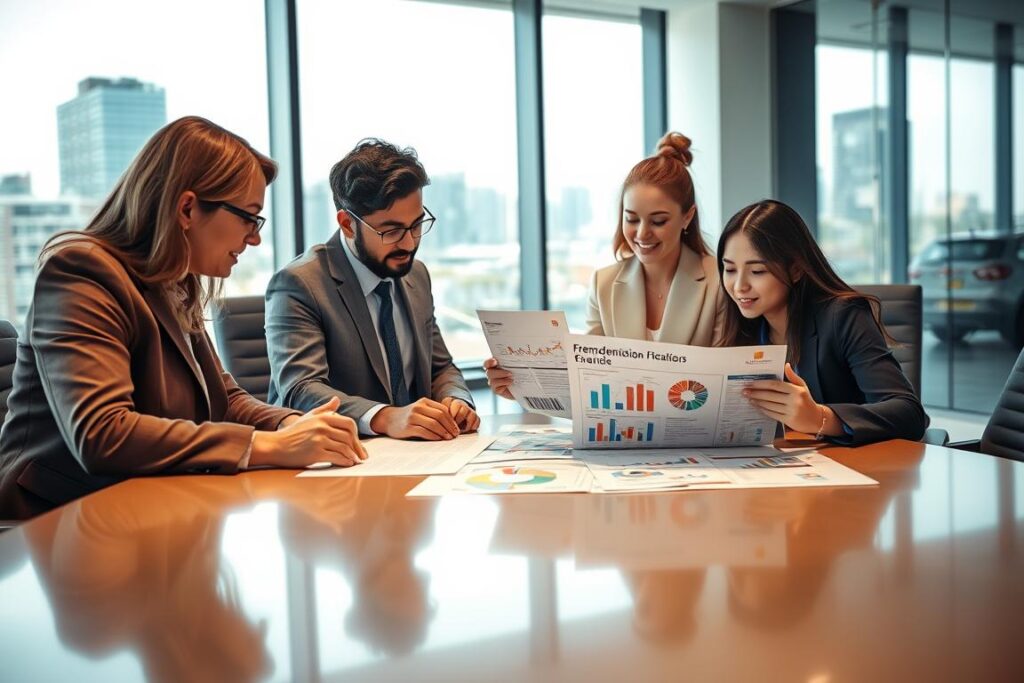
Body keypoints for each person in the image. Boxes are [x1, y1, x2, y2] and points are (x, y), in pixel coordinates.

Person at [0, 116, 366, 520]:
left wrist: (296, 427)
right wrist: (266, 446)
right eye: (249, 216)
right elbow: (102, 433)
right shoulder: (81, 272)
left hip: (145, 510)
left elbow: (222, 399)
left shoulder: (173, 280)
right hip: (52, 525)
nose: (255, 237)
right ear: (188, 208)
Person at [485, 132, 726, 399]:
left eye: (658, 221)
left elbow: (726, 381)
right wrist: (521, 387)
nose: (642, 234)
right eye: (632, 219)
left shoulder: (719, 281)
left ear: (687, 217)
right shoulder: (604, 284)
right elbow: (590, 380)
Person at [265, 139, 478, 440]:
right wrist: (387, 418)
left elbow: (440, 368)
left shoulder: (415, 275)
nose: (408, 243)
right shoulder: (300, 284)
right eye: (390, 231)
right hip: (332, 461)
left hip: (418, 459)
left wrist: (456, 399)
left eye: (416, 225)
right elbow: (300, 389)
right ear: (347, 224)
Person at [718, 199, 929, 445]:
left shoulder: (844, 316)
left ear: (796, 269)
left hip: (856, 468)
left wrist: (820, 417)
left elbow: (910, 414)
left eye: (757, 272)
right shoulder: (742, 326)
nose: (739, 286)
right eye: (730, 270)